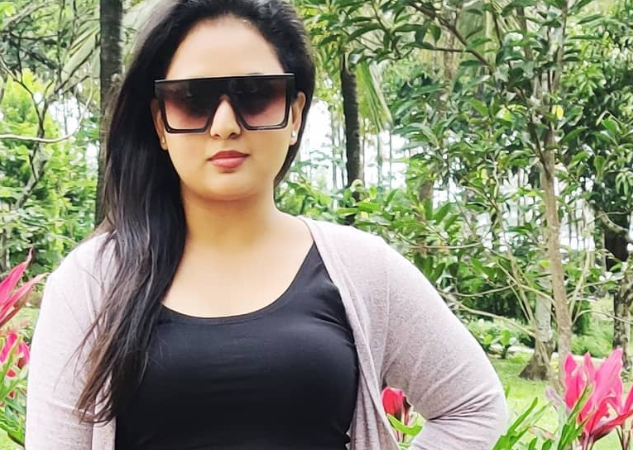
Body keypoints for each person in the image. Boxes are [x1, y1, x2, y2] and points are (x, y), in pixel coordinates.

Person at [25, 0, 508, 449]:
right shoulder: (92, 281)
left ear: (294, 113)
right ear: (160, 123)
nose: (225, 124)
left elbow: (474, 406)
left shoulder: (361, 268)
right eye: (193, 99)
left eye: (254, 95)